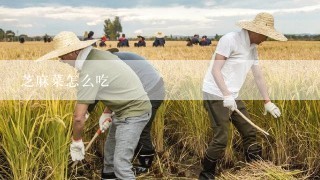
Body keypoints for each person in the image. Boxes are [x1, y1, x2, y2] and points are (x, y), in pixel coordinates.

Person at [37, 31, 152, 180]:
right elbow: (116, 85)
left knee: (121, 165)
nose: (61, 60)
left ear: (73, 53)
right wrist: (107, 112)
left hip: (134, 114)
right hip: (123, 111)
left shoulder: (89, 70)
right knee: (109, 157)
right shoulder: (100, 56)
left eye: (62, 56)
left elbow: (79, 117)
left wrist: (76, 142)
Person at [200, 12, 287, 179]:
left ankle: (255, 169)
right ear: (256, 32)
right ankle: (206, 175)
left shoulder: (252, 48)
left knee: (249, 132)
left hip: (232, 95)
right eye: (266, 35)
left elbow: (258, 75)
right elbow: (216, 70)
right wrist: (226, 95)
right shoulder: (230, 40)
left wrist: (267, 101)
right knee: (221, 138)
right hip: (216, 93)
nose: (266, 39)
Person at [88, 51, 165, 175]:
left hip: (152, 89)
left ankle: (145, 164)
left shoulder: (112, 65)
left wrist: (84, 114)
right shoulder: (114, 61)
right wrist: (107, 112)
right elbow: (117, 91)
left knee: (142, 126)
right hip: (148, 86)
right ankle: (121, 163)